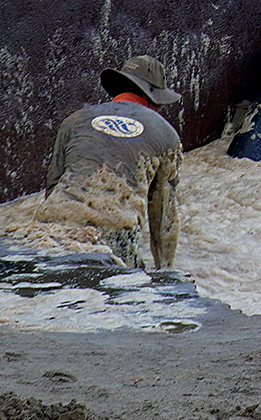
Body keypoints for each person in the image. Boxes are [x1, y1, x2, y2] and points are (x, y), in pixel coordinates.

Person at [44, 56, 186, 269]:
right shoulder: (166, 134)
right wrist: (165, 275)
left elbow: (52, 185)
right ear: (154, 99)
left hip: (50, 231)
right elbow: (164, 217)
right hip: (112, 238)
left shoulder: (74, 120)